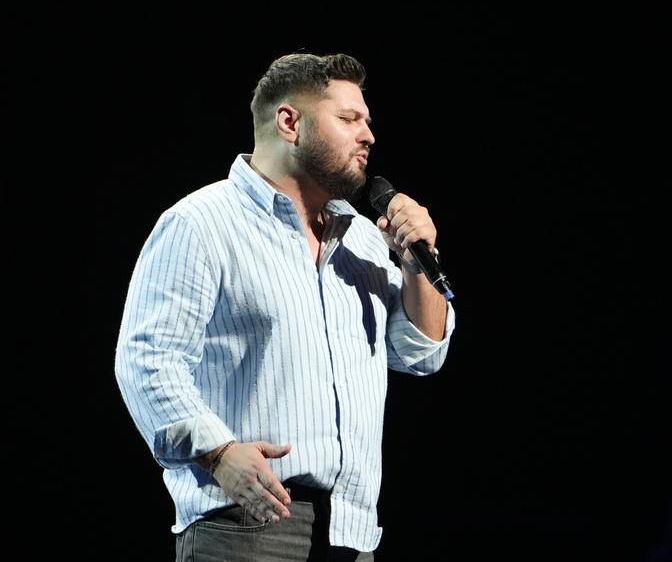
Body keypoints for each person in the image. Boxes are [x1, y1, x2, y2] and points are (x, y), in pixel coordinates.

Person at [114, 52, 455, 561]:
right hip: (245, 525)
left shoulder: (363, 238)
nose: (368, 136)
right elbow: (147, 361)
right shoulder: (202, 223)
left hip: (353, 532)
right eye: (349, 119)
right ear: (290, 123)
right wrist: (219, 454)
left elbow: (420, 354)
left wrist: (413, 261)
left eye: (367, 122)